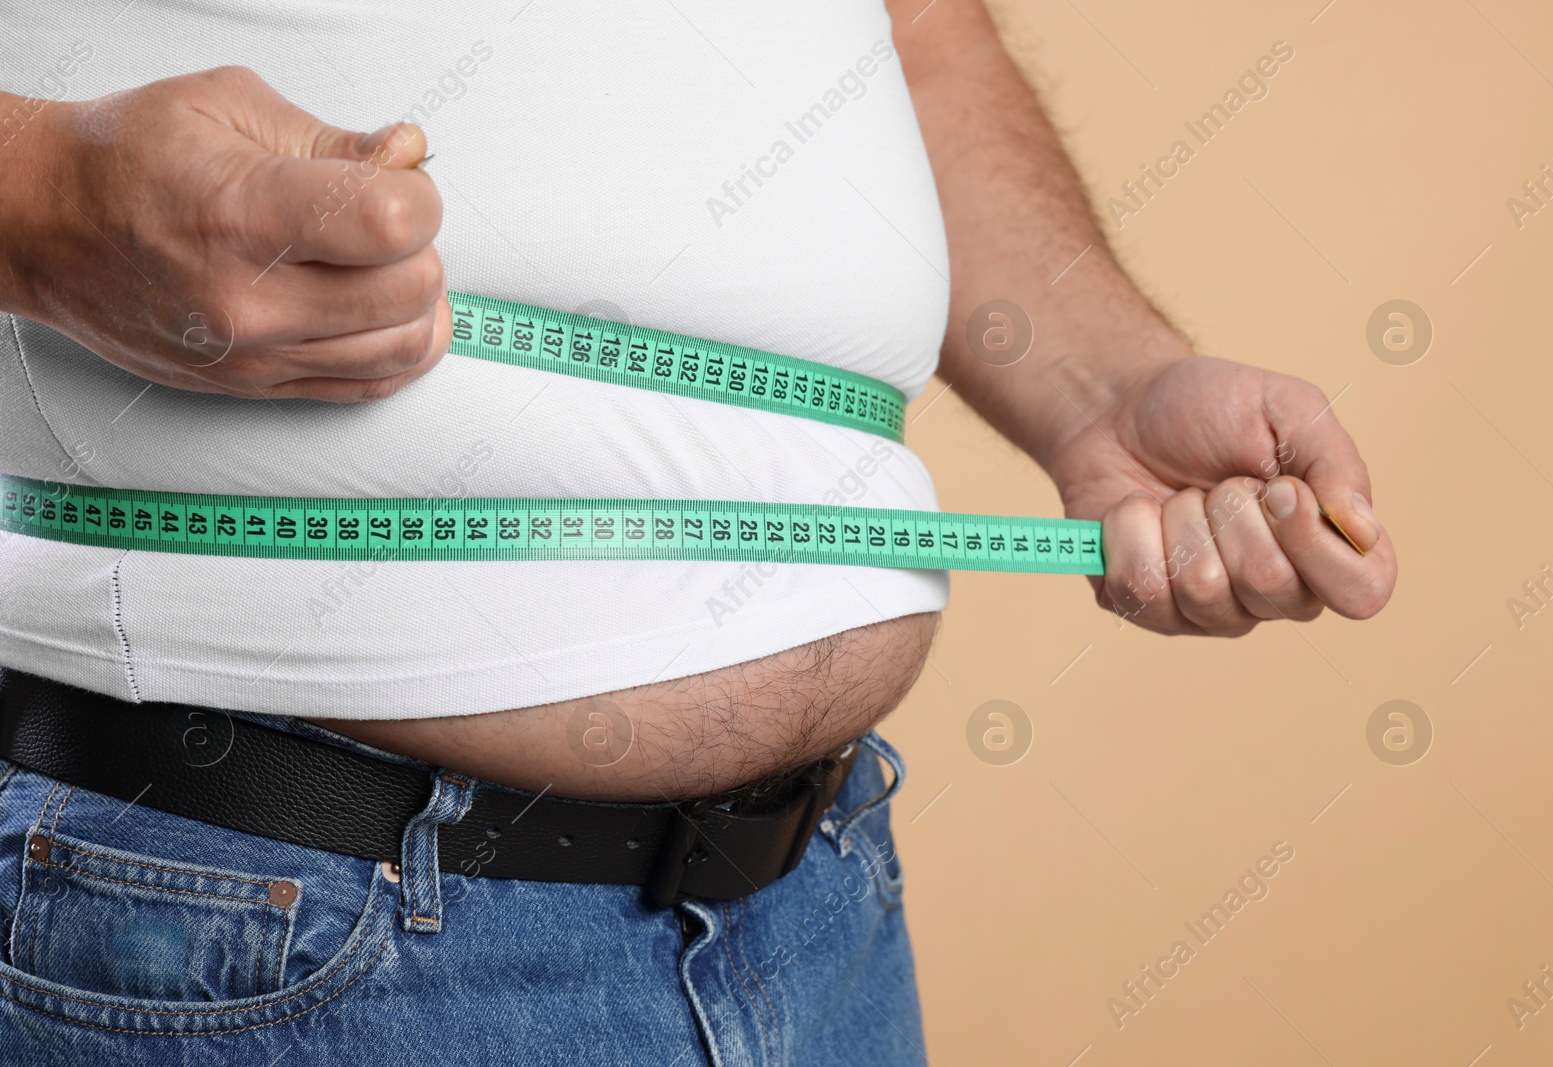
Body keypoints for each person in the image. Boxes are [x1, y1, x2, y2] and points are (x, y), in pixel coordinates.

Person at [0, 0, 1396, 1062]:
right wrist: (41, 199)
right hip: (245, 907)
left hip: (821, 908)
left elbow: (896, 33)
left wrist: (1109, 384)